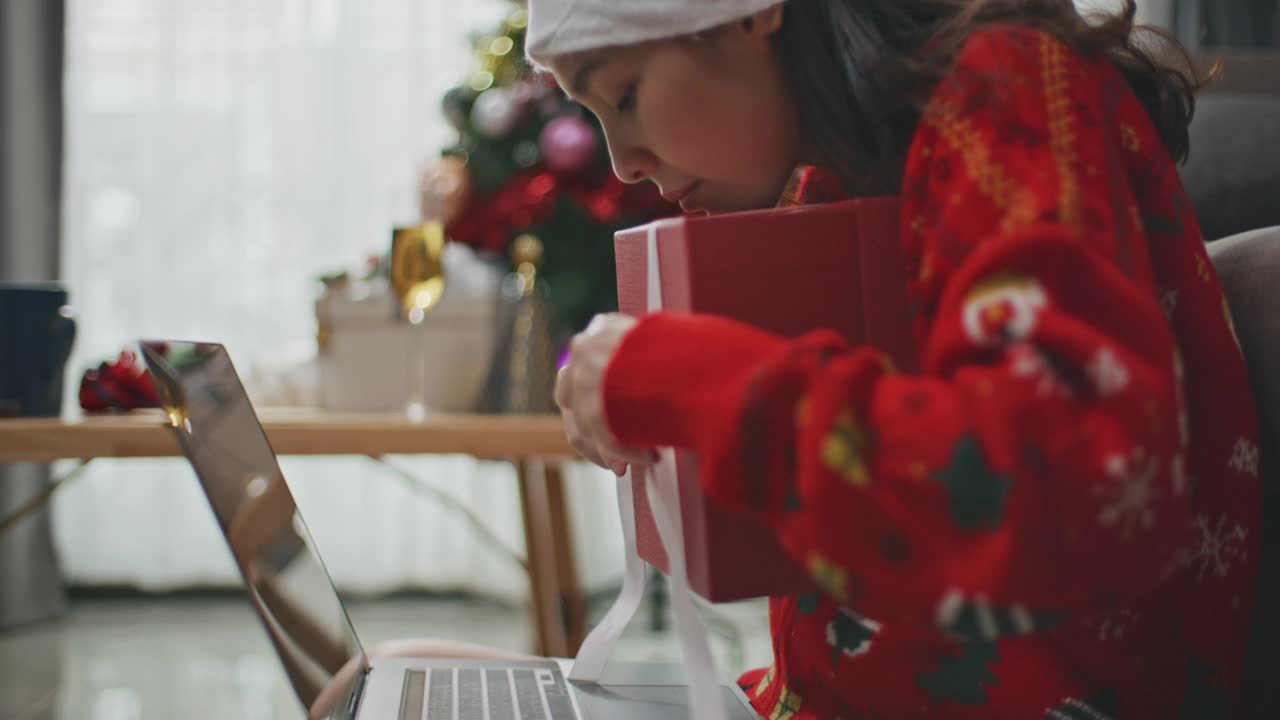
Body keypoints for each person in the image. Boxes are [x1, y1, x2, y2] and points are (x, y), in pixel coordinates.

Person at [539, 0, 1261, 718]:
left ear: (746, 15)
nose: (621, 165)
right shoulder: (854, 170)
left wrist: (691, 379)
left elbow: (1061, 492)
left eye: (623, 94)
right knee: (441, 671)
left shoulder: (1004, 93)